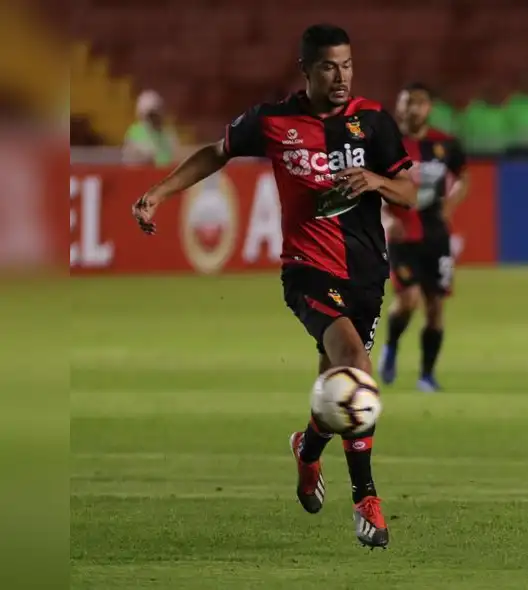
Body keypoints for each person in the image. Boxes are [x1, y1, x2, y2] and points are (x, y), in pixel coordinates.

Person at [129, 25, 417, 549]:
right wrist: (158, 192)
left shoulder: (372, 121)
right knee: (355, 365)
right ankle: (366, 500)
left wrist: (375, 181)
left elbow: (410, 193)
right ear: (305, 69)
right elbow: (217, 152)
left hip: (368, 276)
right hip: (307, 270)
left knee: (337, 384)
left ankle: (307, 451)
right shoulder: (274, 121)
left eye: (347, 65)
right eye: (329, 67)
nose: (341, 76)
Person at [378, 83, 469, 392]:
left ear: (429, 108)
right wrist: (386, 217)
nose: (412, 109)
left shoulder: (446, 145)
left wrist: (450, 205)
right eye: (407, 102)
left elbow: (463, 178)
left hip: (435, 235)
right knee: (408, 300)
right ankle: (390, 346)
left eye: (419, 103)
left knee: (434, 307)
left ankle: (426, 376)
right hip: (402, 233)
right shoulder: (384, 143)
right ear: (398, 106)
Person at [122, 89, 179, 167]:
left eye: (157, 112)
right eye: (151, 114)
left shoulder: (167, 132)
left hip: (164, 174)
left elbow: (173, 154)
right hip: (139, 174)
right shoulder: (135, 132)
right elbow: (147, 155)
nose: (155, 117)